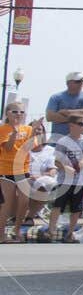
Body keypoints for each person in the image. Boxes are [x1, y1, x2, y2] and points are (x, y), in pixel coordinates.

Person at [47, 117, 83, 241]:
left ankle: (70, 232)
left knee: (77, 208)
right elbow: (56, 161)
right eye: (80, 124)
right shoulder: (63, 141)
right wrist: (65, 167)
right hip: (64, 180)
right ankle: (51, 231)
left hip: (81, 181)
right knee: (58, 206)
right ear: (71, 125)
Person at [0, 103, 34, 242]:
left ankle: (17, 230)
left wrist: (36, 131)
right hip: (6, 169)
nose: (18, 114)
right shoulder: (3, 129)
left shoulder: (28, 129)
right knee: (7, 203)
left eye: (21, 112)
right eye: (15, 111)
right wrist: (14, 133)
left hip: (22, 169)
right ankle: (1, 235)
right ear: (7, 113)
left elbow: (31, 147)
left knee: (24, 201)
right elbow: (7, 148)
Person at [46, 70, 83, 137]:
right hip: (58, 139)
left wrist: (65, 112)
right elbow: (50, 117)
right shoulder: (55, 97)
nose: (81, 83)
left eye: (82, 81)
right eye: (78, 81)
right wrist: (78, 119)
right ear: (68, 83)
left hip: (80, 140)